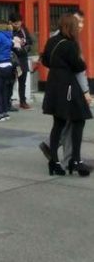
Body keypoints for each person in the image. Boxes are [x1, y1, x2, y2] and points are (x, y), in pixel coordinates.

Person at [40, 13, 91, 176]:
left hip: (54, 84)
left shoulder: (52, 41)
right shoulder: (70, 44)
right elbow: (79, 66)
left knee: (59, 123)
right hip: (68, 86)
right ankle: (75, 160)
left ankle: (54, 162)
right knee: (79, 119)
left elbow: (45, 60)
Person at [9, 12, 33, 110]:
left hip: (23, 59)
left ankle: (23, 101)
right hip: (12, 59)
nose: (18, 25)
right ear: (10, 22)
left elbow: (30, 42)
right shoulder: (8, 31)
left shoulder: (24, 30)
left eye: (19, 23)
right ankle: (8, 101)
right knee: (10, 81)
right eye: (15, 24)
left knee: (22, 81)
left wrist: (26, 48)